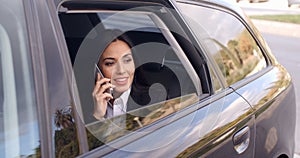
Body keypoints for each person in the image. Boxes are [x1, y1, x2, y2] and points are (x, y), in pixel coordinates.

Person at [92, 31, 135, 120]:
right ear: (97, 69)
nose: (121, 70)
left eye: (127, 60)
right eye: (110, 63)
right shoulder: (84, 105)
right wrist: (98, 116)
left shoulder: (156, 99)